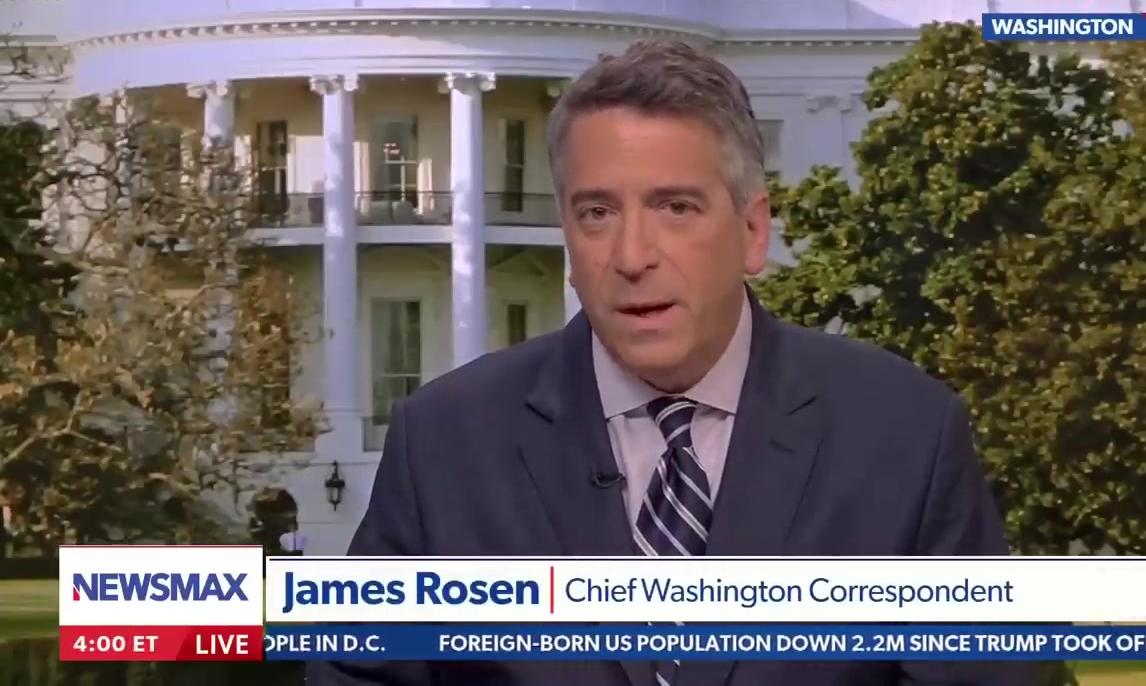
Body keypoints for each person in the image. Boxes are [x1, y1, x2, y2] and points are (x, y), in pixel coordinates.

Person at [307, 40, 1030, 685]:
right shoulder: (446, 446)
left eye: (675, 208)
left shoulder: (904, 437)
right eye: (597, 213)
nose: (631, 257)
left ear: (752, 231)